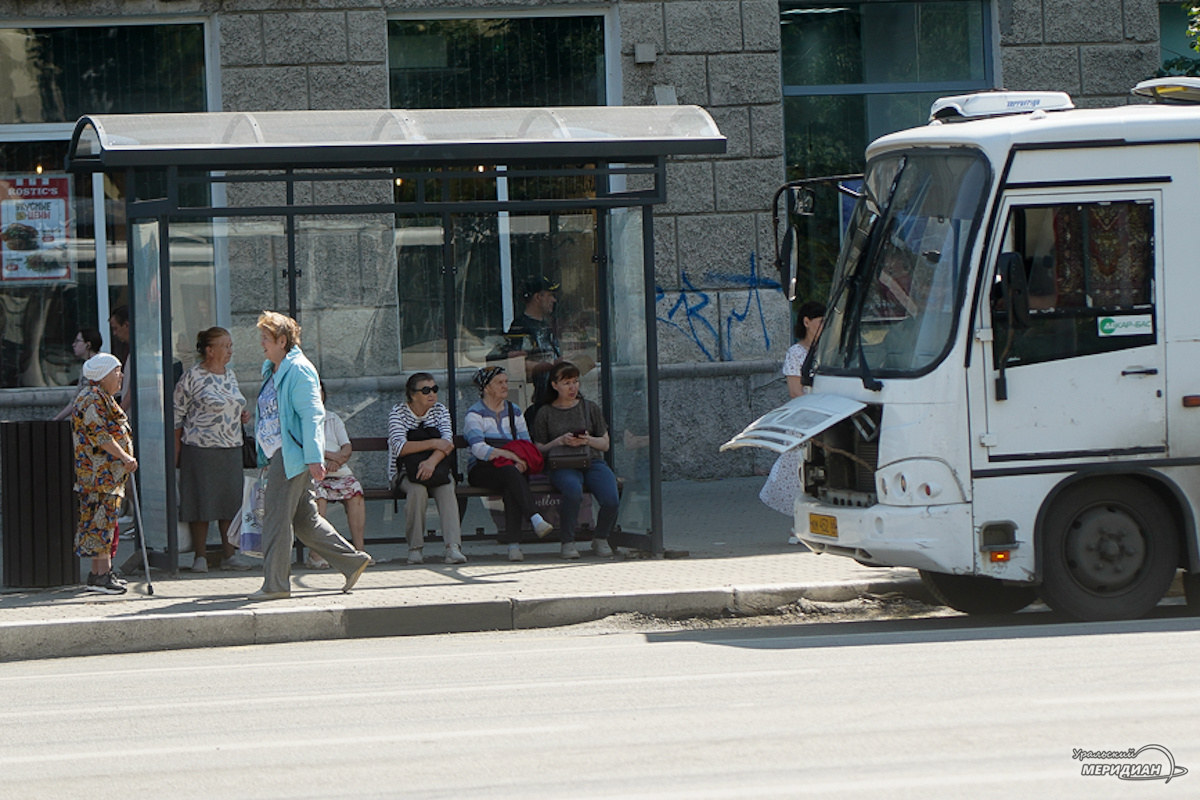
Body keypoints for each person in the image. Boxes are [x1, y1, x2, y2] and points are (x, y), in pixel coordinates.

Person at [251, 311, 371, 600]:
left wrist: (314, 457)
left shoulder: (299, 369)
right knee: (305, 519)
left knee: (276, 519)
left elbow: (312, 415)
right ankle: (352, 561)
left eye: (266, 339)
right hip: (282, 454)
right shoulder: (276, 368)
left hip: (291, 455)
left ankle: (275, 585)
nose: (262, 344)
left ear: (282, 340)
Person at [173, 326, 256, 573]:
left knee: (229, 503)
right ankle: (199, 556)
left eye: (231, 346)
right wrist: (176, 451)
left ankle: (229, 555)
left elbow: (234, 402)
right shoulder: (192, 377)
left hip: (230, 448)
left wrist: (241, 415)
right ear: (210, 350)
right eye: (226, 346)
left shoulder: (230, 376)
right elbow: (176, 415)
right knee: (201, 503)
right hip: (200, 449)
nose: (231, 350)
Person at [464, 365, 554, 562]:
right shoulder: (475, 414)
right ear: (486, 387)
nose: (505, 386)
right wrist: (511, 457)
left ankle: (515, 545)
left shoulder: (514, 411)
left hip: (511, 467)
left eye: (506, 382)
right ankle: (531, 521)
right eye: (500, 382)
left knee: (512, 479)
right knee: (511, 474)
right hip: (482, 469)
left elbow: (526, 443)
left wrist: (522, 462)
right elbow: (478, 449)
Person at [532, 361, 619, 559]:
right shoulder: (545, 412)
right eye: (567, 383)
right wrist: (560, 441)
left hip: (591, 460)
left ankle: (601, 538)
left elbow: (605, 444)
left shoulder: (590, 408)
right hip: (561, 464)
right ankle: (568, 541)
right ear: (554, 385)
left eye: (576, 382)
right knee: (572, 490)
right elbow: (539, 449)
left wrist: (586, 439)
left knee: (611, 498)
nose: (573, 388)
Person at [71, 353, 136, 595]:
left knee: (103, 524)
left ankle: (99, 574)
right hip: (99, 476)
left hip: (105, 476)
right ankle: (102, 576)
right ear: (103, 375)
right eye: (117, 371)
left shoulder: (101, 397)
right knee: (101, 524)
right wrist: (125, 457)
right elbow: (101, 436)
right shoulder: (92, 399)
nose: (120, 376)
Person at [387, 372, 466, 565]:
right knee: (417, 491)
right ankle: (415, 548)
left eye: (434, 389)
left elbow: (447, 443)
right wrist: (432, 443)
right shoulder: (398, 412)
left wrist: (430, 462)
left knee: (448, 489)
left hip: (437, 470)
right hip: (406, 472)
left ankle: (452, 548)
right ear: (413, 394)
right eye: (425, 390)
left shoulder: (440, 410)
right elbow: (400, 447)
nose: (432, 393)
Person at [760, 301, 826, 523]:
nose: (824, 327)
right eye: (820, 322)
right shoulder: (796, 353)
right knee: (798, 470)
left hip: (828, 416)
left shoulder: (828, 351)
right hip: (808, 418)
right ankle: (800, 521)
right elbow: (795, 391)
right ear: (806, 322)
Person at [312, 380, 368, 567]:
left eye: (319, 390)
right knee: (318, 497)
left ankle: (359, 551)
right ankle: (316, 555)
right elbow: (306, 447)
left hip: (338, 471)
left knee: (355, 491)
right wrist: (330, 457)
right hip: (313, 473)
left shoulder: (333, 418)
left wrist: (337, 460)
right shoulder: (301, 419)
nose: (317, 394)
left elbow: (347, 446)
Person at [493, 276, 562, 420]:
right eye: (550, 295)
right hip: (538, 401)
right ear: (538, 297)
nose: (554, 300)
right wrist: (545, 366)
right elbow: (514, 364)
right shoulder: (520, 326)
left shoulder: (547, 325)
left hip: (556, 398)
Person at [52, 328, 103, 420]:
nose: (73, 345)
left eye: (77, 341)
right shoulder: (92, 363)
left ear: (88, 345)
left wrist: (57, 418)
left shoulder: (94, 365)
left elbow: (78, 399)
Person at [109, 305, 133, 412]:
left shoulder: (142, 353)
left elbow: (133, 389)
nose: (114, 333)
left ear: (126, 325)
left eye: (116, 328)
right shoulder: (130, 351)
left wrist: (118, 416)